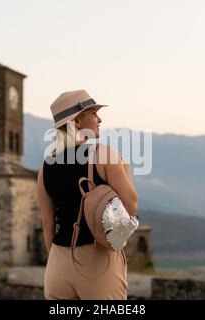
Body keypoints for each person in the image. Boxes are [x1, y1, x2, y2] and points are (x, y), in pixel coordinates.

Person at [37, 90, 138, 300]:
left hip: (57, 265)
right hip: (97, 262)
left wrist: (57, 260)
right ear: (77, 121)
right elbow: (131, 204)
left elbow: (47, 223)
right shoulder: (104, 154)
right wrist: (124, 168)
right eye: (93, 113)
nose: (99, 119)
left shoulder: (45, 166)